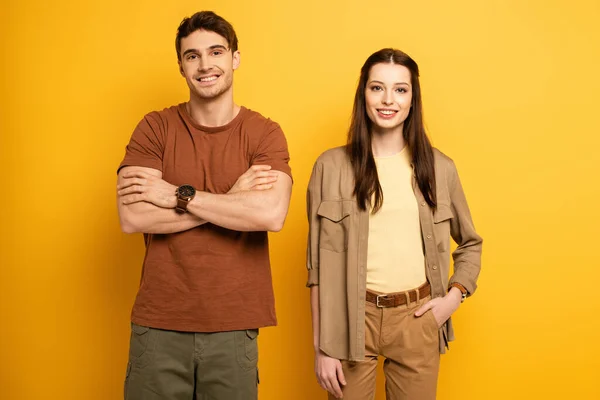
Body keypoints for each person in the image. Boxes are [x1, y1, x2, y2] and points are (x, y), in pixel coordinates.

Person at [116, 11, 293, 400]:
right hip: (159, 324)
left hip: (233, 325)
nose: (205, 64)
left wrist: (179, 196)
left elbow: (270, 214)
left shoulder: (264, 133)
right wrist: (232, 201)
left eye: (216, 51)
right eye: (192, 55)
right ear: (180, 65)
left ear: (235, 58)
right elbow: (132, 217)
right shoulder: (155, 128)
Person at [306, 48, 482, 399]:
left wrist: (453, 297)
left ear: (413, 98)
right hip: (351, 320)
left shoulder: (440, 168)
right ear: (363, 94)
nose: (388, 100)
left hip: (418, 318)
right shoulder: (330, 167)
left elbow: (470, 243)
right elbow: (316, 269)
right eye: (377, 88)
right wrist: (322, 346)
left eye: (400, 90)